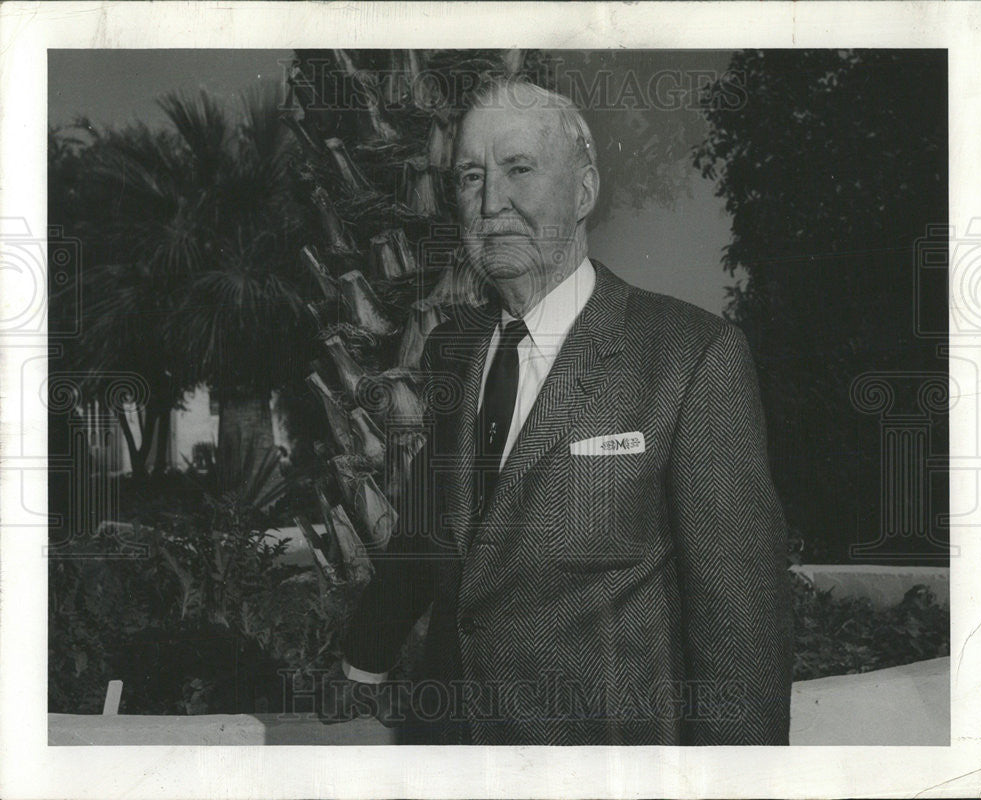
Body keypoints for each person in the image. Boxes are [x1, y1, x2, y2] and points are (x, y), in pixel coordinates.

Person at [327, 78, 792, 745]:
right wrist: (364, 659)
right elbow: (435, 522)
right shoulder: (452, 349)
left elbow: (741, 622)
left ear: (582, 192)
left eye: (519, 169)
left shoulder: (689, 357)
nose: (492, 202)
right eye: (469, 177)